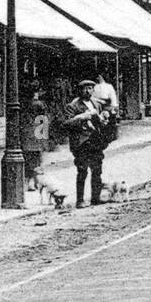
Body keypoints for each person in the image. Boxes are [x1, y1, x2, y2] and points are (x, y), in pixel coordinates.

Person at [63, 80, 116, 208]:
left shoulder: (96, 103)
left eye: (90, 88)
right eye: (85, 89)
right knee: (82, 171)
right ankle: (80, 200)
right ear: (80, 90)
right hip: (81, 143)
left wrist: (104, 116)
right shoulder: (73, 106)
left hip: (95, 141)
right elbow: (66, 124)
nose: (88, 91)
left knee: (97, 170)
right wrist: (82, 117)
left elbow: (102, 117)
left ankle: (95, 198)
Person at [22, 88, 49, 190]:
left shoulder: (24, 105)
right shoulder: (39, 105)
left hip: (27, 137)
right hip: (37, 136)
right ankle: (35, 182)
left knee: (28, 161)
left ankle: (29, 182)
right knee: (36, 161)